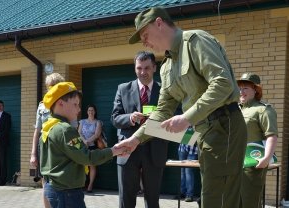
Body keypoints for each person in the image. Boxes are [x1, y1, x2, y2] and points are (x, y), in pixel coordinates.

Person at [115, 7, 247, 208]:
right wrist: (135, 139)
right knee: (214, 196)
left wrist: (186, 118)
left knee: (218, 198)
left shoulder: (196, 41)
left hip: (224, 125)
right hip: (205, 132)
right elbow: (162, 111)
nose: (144, 42)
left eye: (145, 34)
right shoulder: (167, 65)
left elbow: (223, 83)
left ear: (159, 23)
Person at [39, 81, 126, 208]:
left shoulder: (48, 127)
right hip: (66, 194)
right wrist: (114, 151)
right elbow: (87, 158)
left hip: (54, 189)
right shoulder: (65, 130)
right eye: (75, 104)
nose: (79, 109)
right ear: (60, 103)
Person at [111, 51, 168, 208]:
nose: (143, 72)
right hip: (127, 152)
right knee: (126, 200)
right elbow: (115, 118)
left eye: (147, 68)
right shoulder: (123, 89)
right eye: (139, 68)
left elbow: (173, 119)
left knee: (152, 200)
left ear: (154, 68)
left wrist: (156, 122)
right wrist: (129, 118)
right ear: (135, 68)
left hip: (154, 150)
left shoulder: (165, 91)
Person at [237, 73, 278, 208]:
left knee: (250, 201)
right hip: (234, 162)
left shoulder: (263, 110)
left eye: (245, 88)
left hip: (252, 163)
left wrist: (266, 158)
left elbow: (271, 136)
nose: (241, 92)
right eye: (240, 88)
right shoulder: (236, 110)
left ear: (256, 90)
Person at [30, 72, 64, 208]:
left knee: (60, 180)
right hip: (44, 147)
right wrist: (33, 154)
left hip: (61, 147)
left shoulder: (65, 103)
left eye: (54, 86)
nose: (51, 89)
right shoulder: (42, 106)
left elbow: (73, 127)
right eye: (49, 87)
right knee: (45, 181)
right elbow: (37, 130)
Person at [78, 104, 101, 193]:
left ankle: (90, 185)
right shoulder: (82, 121)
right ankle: (81, 184)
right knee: (81, 165)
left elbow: (97, 135)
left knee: (92, 166)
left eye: (92, 110)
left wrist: (88, 141)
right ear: (87, 112)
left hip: (92, 146)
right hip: (82, 146)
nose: (90, 112)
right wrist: (84, 141)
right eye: (89, 110)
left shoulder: (98, 122)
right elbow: (79, 133)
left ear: (95, 112)